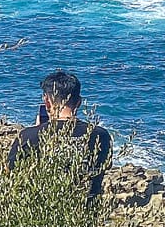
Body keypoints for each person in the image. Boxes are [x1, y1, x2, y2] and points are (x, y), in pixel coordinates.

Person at [10, 70, 112, 199]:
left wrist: (36, 131)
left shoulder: (28, 136)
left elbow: (11, 173)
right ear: (79, 102)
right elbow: (105, 167)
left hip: (42, 211)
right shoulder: (101, 135)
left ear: (47, 102)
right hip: (87, 214)